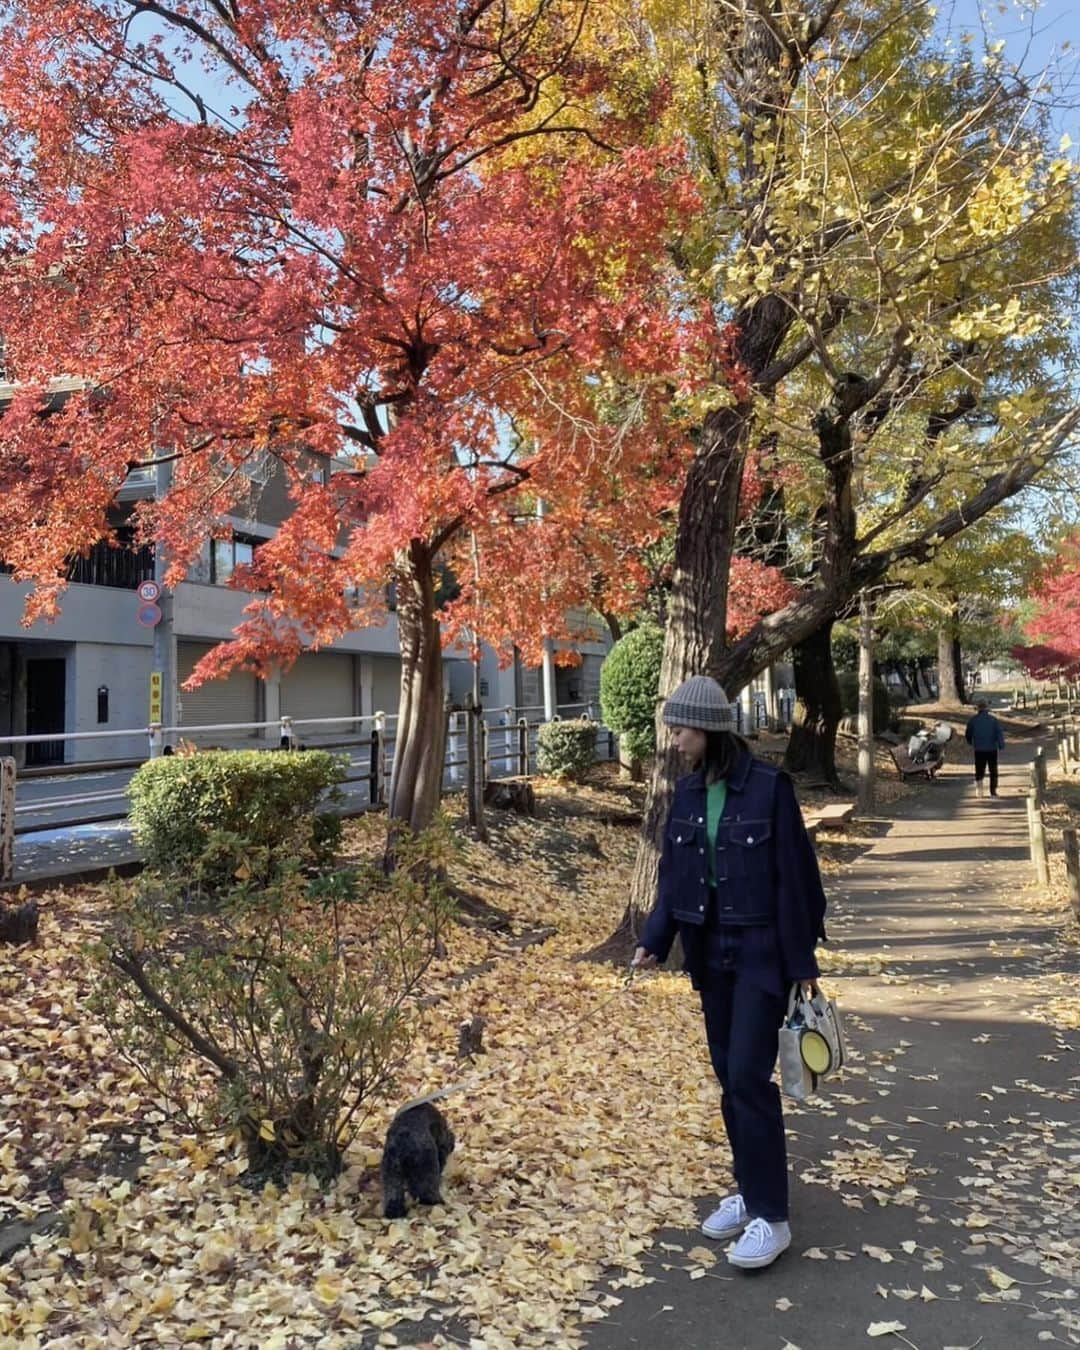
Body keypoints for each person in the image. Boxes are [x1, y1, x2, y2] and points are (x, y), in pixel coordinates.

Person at [631, 675, 827, 1271]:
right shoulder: (686, 794)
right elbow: (674, 878)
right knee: (728, 1077)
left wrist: (802, 966)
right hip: (707, 951)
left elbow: (799, 880)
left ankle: (772, 1215)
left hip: (762, 952)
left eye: (683, 730)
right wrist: (654, 940)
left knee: (747, 1076)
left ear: (711, 730)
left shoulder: (770, 788)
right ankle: (748, 1190)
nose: (676, 740)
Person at [965, 697, 1005, 797]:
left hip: (979, 749)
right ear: (987, 708)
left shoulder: (973, 720)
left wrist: (970, 741)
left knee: (979, 769)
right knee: (993, 770)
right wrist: (1001, 745)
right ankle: (993, 792)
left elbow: (968, 734)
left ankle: (979, 790)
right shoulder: (993, 720)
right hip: (991, 748)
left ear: (978, 708)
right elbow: (999, 733)